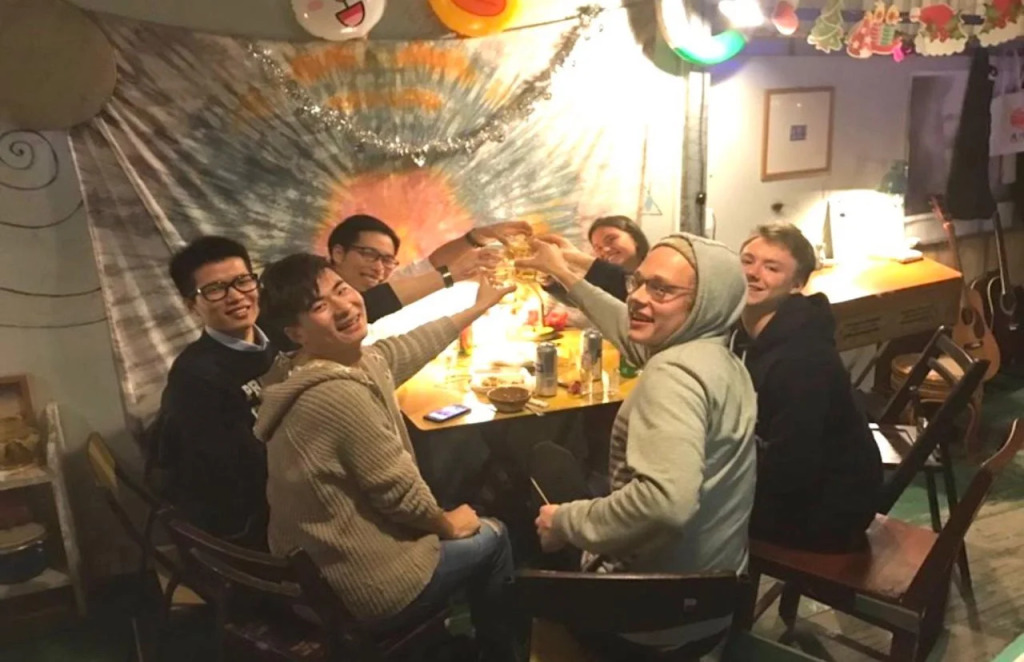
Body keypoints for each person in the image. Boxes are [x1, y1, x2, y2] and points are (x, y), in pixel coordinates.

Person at [255, 253, 525, 662]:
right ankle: (499, 653)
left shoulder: (332, 364)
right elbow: (400, 495)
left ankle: (457, 631)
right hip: (361, 586)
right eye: (321, 306)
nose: (344, 306)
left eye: (341, 290)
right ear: (296, 332)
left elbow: (405, 348)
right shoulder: (335, 393)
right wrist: (447, 524)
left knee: (459, 511)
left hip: (318, 570)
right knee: (494, 534)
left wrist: (478, 306)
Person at [518, 233, 757, 657]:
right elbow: (629, 331)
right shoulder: (719, 355)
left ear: (704, 303)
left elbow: (665, 503)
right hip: (710, 606)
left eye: (661, 289)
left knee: (532, 520)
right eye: (639, 282)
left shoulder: (672, 378)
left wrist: (565, 522)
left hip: (646, 620)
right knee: (554, 463)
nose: (637, 297)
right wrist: (564, 274)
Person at [732, 223, 882, 552]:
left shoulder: (802, 360)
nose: (753, 273)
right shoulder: (744, 335)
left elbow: (791, 470)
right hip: (794, 486)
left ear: (797, 285)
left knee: (688, 516)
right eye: (747, 261)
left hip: (826, 510)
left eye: (772, 268)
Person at [150, 236, 273, 548]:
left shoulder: (279, 340)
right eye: (216, 289)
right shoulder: (194, 377)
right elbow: (230, 474)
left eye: (243, 281)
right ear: (192, 305)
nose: (236, 296)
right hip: (248, 526)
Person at [327, 214, 532, 320]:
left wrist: (478, 237)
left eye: (387, 260)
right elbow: (373, 305)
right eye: (369, 255)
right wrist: (453, 274)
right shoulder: (317, 295)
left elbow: (430, 265)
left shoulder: (382, 285)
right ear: (338, 253)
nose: (379, 268)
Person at [543, 215, 649, 303]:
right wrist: (548, 277)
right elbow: (578, 298)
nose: (605, 250)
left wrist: (574, 257)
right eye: (598, 248)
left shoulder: (655, 270)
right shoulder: (606, 283)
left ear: (635, 238)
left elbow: (628, 283)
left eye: (611, 239)